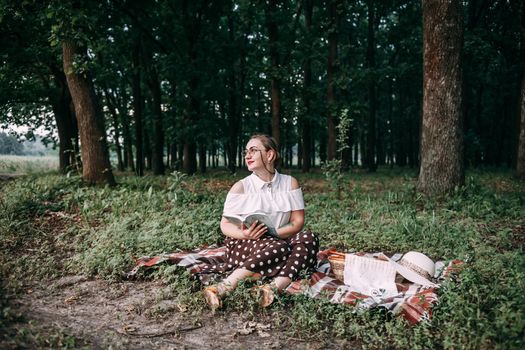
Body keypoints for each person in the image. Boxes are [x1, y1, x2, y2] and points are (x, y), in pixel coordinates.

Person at [201, 134, 319, 309]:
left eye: (253, 151)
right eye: (246, 152)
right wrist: (244, 233)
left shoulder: (290, 183)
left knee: (309, 238)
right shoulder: (241, 187)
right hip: (245, 244)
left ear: (270, 155)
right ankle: (223, 287)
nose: (247, 156)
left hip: (280, 240)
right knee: (281, 248)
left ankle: (271, 287)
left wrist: (275, 235)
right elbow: (224, 225)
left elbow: (297, 222)